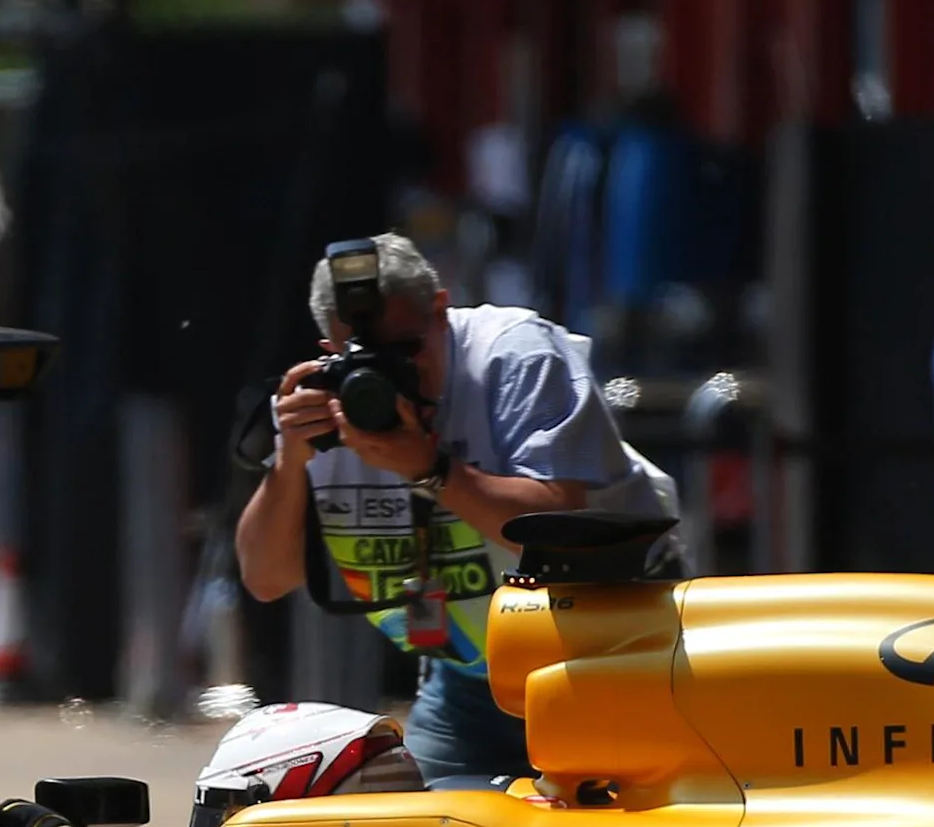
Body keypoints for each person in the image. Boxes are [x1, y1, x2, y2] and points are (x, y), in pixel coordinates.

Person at [235, 233, 675, 787]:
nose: (392, 377)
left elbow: (560, 530)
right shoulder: (327, 407)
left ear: (443, 310)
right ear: (330, 350)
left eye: (407, 350)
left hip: (613, 658)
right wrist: (290, 461)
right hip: (470, 679)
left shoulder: (516, 356)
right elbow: (266, 578)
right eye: (364, 359)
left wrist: (430, 469)